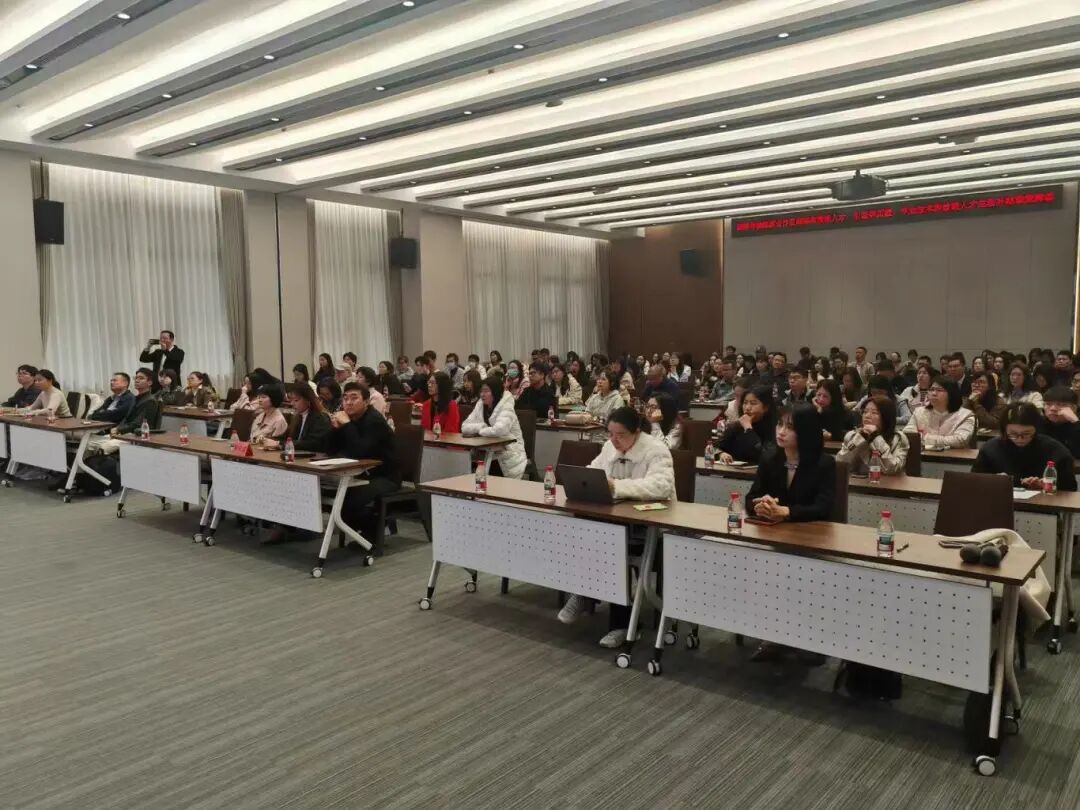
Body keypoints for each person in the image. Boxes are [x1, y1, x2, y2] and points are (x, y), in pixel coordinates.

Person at [557, 406, 676, 647]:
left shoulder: (656, 450)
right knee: (586, 533)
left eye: (620, 435)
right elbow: (593, 471)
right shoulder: (609, 447)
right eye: (610, 434)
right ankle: (585, 592)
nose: (614, 440)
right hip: (615, 520)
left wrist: (616, 486)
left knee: (611, 544)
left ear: (636, 432)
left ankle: (619, 623)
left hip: (650, 527)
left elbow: (661, 486)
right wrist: (585, 481)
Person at [746, 405, 837, 664]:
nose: (781, 432)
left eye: (790, 427)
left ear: (805, 431)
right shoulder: (770, 458)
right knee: (763, 570)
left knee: (797, 575)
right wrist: (760, 505)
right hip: (776, 537)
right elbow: (751, 496)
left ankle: (808, 640)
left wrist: (786, 511)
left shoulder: (824, 464)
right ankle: (772, 637)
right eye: (779, 425)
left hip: (812, 540)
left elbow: (823, 507)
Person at [327, 383, 401, 542]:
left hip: (385, 476)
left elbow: (361, 451)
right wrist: (335, 429)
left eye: (354, 398)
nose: (348, 402)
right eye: (345, 398)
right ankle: (372, 529)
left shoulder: (374, 420)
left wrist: (346, 425)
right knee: (332, 496)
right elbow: (331, 449)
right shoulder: (351, 419)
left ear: (366, 402)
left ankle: (375, 532)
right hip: (360, 473)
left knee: (347, 503)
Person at [973, 403, 1077, 490]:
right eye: (1013, 434)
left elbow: (1070, 489)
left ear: (1036, 429)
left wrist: (1046, 486)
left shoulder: (1055, 450)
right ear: (1004, 430)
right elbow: (974, 482)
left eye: (1026, 433)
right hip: (999, 501)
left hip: (1044, 505)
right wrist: (993, 481)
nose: (1020, 439)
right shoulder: (991, 449)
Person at [461, 377, 527, 479]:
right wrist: (481, 426)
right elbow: (464, 427)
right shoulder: (480, 404)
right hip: (487, 451)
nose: (482, 394)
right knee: (467, 465)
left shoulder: (506, 405)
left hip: (509, 452)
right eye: (481, 391)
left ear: (495, 392)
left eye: (486, 391)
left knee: (484, 471)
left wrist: (480, 431)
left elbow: (500, 430)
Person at [837, 396, 909, 476]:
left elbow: (892, 468)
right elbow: (841, 465)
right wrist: (859, 439)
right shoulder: (852, 435)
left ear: (886, 417)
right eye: (865, 412)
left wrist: (876, 437)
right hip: (860, 483)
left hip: (890, 483)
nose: (867, 416)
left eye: (874, 413)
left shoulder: (898, 438)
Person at [904, 376, 975, 449]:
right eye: (931, 389)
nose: (934, 393)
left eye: (939, 390)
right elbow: (908, 434)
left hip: (954, 455)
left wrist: (925, 438)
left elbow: (960, 440)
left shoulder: (966, 415)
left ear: (951, 393)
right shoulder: (919, 412)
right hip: (922, 455)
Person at [716, 386, 776, 464]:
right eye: (745, 403)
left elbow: (766, 455)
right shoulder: (735, 427)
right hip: (734, 470)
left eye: (753, 403)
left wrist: (748, 428)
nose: (747, 408)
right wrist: (721, 454)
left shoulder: (775, 428)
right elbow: (716, 448)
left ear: (766, 408)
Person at [263, 385, 331, 452]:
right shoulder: (297, 417)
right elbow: (285, 437)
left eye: (296, 400)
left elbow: (311, 443)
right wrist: (269, 439)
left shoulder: (321, 418)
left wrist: (279, 444)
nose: (292, 403)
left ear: (308, 400)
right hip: (298, 455)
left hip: (316, 456)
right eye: (291, 400)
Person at [110, 368, 161, 436]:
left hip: (140, 435)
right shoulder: (135, 398)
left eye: (141, 378)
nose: (137, 380)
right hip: (128, 432)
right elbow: (126, 418)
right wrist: (118, 428)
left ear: (149, 382)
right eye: (136, 378)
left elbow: (138, 423)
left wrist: (119, 429)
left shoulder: (150, 401)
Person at [1042, 387, 1080, 457]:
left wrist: (1075, 422)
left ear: (1074, 408)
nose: (1053, 408)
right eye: (1048, 404)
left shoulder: (1076, 424)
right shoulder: (1038, 424)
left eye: (1060, 404)